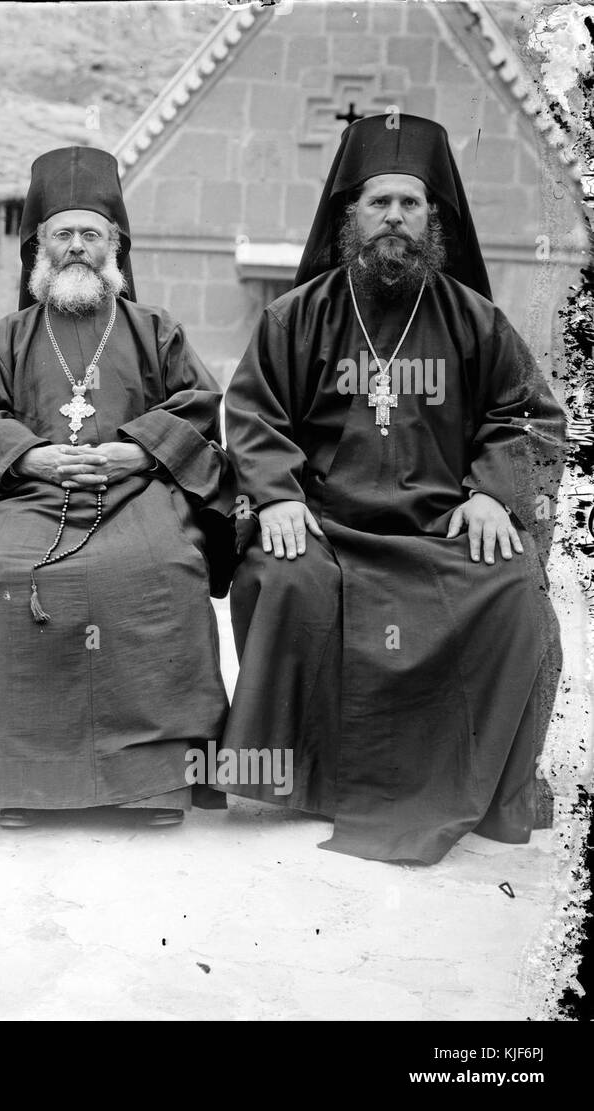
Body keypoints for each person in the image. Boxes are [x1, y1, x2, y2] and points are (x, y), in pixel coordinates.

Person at [220, 114, 567, 864]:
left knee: (512, 591)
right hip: (325, 529)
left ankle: (468, 777)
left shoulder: (473, 319)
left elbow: (531, 417)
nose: (395, 220)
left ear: (433, 220)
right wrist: (277, 496)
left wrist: (492, 495)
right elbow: (251, 411)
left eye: (411, 205)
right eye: (379, 203)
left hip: (438, 530)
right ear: (350, 215)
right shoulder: (297, 315)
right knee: (283, 579)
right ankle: (301, 780)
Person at [0, 146, 235, 829]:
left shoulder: (155, 327)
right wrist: (33, 457)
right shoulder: (8, 335)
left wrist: (136, 452)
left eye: (91, 235)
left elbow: (199, 401)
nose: (77, 247)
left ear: (116, 247)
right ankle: (21, 782)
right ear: (38, 248)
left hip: (138, 494)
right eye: (62, 235)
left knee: (161, 566)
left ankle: (157, 783)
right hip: (32, 498)